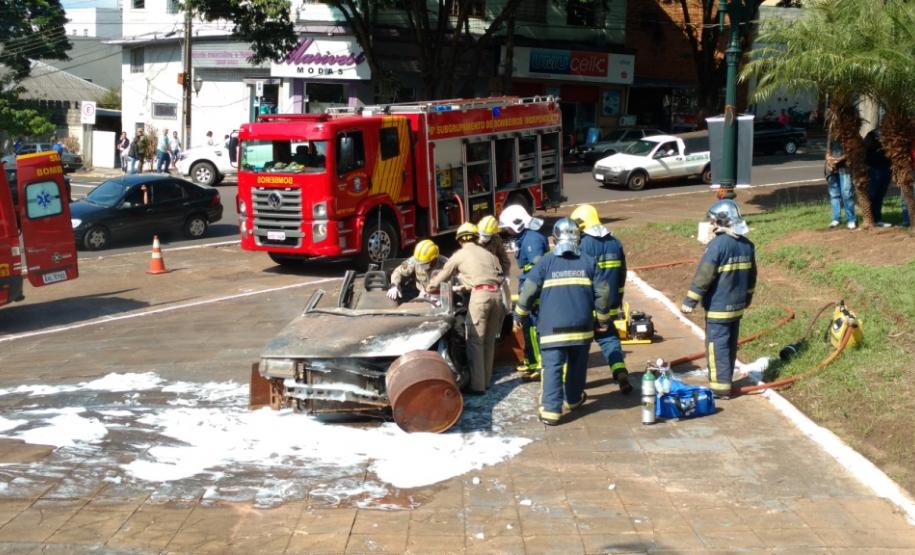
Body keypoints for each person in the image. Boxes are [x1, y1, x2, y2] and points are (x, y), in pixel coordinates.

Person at [515, 217, 611, 426]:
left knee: (552, 368)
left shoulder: (546, 262)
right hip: (582, 329)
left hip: (552, 329)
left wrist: (519, 314)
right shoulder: (588, 261)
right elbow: (603, 293)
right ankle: (574, 399)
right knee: (577, 365)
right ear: (578, 238)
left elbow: (528, 290)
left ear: (554, 239)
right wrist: (603, 320)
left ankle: (551, 411)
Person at [680, 200, 757, 400]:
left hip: (718, 307)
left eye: (712, 221)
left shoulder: (717, 246)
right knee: (730, 344)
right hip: (737, 307)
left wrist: (690, 301)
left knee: (717, 346)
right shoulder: (747, 245)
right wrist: (747, 298)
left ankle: (719, 388)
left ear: (722, 221)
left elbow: (704, 276)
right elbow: (752, 277)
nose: (710, 225)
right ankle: (726, 380)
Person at [428, 223, 505, 394]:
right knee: (488, 341)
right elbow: (498, 276)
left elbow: (441, 277)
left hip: (480, 299)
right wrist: (466, 286)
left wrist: (429, 287)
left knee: (475, 341)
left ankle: (477, 387)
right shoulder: (489, 255)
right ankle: (486, 382)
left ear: (460, 240)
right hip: (497, 296)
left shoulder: (459, 255)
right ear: (476, 238)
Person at [570, 204, 632, 395]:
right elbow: (622, 274)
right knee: (610, 340)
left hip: (586, 307)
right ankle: (620, 371)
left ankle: (575, 388)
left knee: (579, 349)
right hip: (609, 306)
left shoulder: (583, 245)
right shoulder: (615, 243)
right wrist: (618, 298)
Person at [499, 204, 548, 381]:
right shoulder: (526, 237)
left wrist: (529, 295)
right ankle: (532, 361)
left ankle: (540, 365)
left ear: (517, 223)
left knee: (535, 330)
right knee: (529, 329)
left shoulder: (532, 240)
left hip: (534, 293)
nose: (507, 231)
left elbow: (537, 270)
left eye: (508, 227)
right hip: (529, 289)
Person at [825, 137, 856, 229]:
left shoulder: (847, 135)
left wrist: (838, 160)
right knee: (834, 195)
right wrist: (829, 161)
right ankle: (836, 219)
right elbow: (827, 151)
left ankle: (851, 219)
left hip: (844, 168)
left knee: (846, 194)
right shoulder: (831, 136)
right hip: (831, 169)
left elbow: (850, 152)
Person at [864, 129, 892, 227]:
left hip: (886, 168)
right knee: (872, 194)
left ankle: (878, 219)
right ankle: (869, 219)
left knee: (880, 195)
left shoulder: (890, 134)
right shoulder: (872, 134)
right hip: (873, 169)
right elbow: (865, 150)